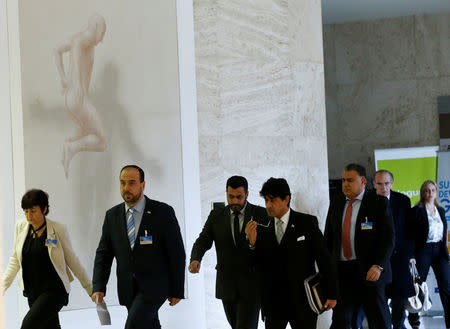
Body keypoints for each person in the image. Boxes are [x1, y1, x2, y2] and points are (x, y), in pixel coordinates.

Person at [92, 165, 185, 329]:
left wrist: (177, 289)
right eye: (122, 183)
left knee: (133, 325)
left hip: (155, 286)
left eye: (132, 183)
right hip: (128, 288)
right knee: (149, 325)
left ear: (143, 185)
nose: (126, 188)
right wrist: (99, 286)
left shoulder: (162, 212)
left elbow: (176, 253)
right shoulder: (112, 215)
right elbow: (104, 254)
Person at [245, 178, 337, 329]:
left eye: (272, 200)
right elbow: (255, 265)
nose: (268, 205)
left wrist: (332, 294)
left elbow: (324, 260)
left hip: (303, 302)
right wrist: (252, 243)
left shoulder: (307, 223)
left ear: (286, 199)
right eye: (266, 200)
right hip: (273, 304)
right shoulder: (261, 226)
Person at [2, 189, 92, 329]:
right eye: (26, 211)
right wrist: (3, 286)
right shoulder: (21, 227)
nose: (28, 216)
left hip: (54, 291)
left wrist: (91, 289)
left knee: (28, 325)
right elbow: (15, 259)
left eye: (33, 211)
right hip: (33, 291)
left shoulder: (58, 229)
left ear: (44, 209)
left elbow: (73, 261)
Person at [189, 176, 267, 329]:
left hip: (252, 286)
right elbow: (203, 240)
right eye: (231, 196)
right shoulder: (216, 216)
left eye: (239, 197)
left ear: (247, 195)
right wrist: (195, 259)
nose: (235, 201)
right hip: (227, 285)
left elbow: (268, 250)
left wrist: (253, 242)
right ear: (226, 194)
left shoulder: (260, 214)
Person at [324, 164, 394, 329]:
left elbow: (388, 239)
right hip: (343, 272)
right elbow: (329, 238)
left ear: (363, 181)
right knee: (342, 320)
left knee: (378, 319)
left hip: (370, 271)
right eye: (343, 180)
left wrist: (378, 266)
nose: (345, 184)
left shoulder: (378, 203)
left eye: (350, 180)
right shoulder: (336, 202)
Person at [55, 14, 107, 178]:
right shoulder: (83, 40)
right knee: (102, 141)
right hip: (78, 98)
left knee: (86, 130)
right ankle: (71, 148)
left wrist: (63, 77)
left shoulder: (81, 40)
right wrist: (76, 84)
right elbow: (77, 46)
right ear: (96, 28)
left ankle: (71, 145)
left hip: (71, 98)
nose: (100, 41)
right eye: (101, 34)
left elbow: (56, 50)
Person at [373, 170, 414, 329]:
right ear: (374, 184)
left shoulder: (403, 200)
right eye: (380, 184)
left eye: (387, 183)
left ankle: (398, 325)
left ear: (392, 183)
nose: (384, 187)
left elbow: (409, 230)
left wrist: (410, 253)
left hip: (399, 256)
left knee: (400, 296)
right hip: (378, 258)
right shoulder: (368, 201)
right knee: (379, 296)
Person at [408, 180, 450, 329]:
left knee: (446, 286)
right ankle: (414, 319)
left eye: (432, 190)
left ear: (436, 192)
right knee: (418, 286)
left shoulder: (441, 210)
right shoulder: (416, 211)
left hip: (439, 250)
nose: (429, 193)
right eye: (426, 190)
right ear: (422, 192)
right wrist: (411, 255)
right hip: (423, 250)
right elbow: (411, 235)